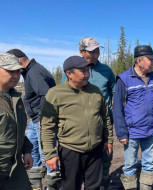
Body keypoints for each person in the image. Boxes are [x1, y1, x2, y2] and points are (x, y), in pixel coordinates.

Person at [41, 56, 114, 190]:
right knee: (71, 186)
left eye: (88, 71)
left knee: (94, 186)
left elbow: (105, 118)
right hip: (70, 149)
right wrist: (50, 154)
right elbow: (47, 126)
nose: (87, 75)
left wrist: (108, 139)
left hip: (95, 148)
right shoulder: (55, 94)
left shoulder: (96, 91)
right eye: (83, 71)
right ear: (69, 73)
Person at [61, 37, 116, 189]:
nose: (95, 54)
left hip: (103, 121)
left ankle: (102, 184)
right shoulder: (71, 70)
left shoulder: (106, 71)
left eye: (97, 51)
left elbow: (115, 93)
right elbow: (62, 95)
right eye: (91, 52)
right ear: (81, 52)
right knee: (75, 164)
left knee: (104, 157)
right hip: (77, 124)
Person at [7, 48, 59, 190]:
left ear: (18, 60)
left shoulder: (34, 72)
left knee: (47, 154)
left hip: (41, 120)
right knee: (32, 151)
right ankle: (35, 185)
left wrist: (44, 119)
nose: (14, 71)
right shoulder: (30, 71)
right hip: (35, 120)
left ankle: (53, 185)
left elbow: (45, 96)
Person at [113, 45, 153, 190]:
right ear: (139, 61)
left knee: (150, 163)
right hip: (131, 132)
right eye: (149, 59)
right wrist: (121, 132)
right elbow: (117, 108)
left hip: (150, 130)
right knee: (130, 165)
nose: (152, 62)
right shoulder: (124, 79)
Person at [0, 53, 33, 190]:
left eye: (18, 71)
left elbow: (18, 129)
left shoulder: (15, 98)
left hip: (14, 167)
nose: (15, 75)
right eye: (10, 71)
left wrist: (26, 150)